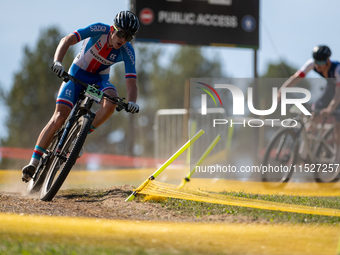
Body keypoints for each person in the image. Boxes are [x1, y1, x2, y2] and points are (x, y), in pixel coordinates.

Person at [22, 10, 140, 182]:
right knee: (59, 118)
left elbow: (131, 82)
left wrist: (132, 102)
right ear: (113, 28)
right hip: (77, 75)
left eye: (128, 37)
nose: (122, 40)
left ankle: (80, 136)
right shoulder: (99, 29)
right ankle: (34, 162)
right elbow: (68, 39)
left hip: (99, 81)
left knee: (112, 99)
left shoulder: (127, 51)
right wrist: (57, 61)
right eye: (121, 34)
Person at [278, 45, 340, 160]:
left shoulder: (337, 69)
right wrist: (282, 90)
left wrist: (331, 108)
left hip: (338, 91)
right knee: (314, 115)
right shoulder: (312, 64)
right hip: (330, 89)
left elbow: (338, 93)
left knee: (338, 126)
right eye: (317, 62)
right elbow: (297, 77)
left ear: (328, 61)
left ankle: (337, 158)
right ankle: (308, 149)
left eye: (321, 63)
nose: (318, 66)